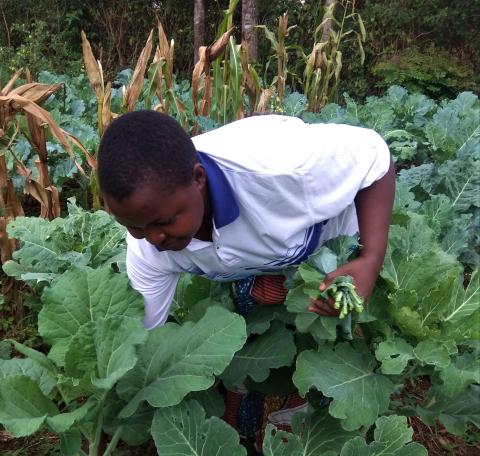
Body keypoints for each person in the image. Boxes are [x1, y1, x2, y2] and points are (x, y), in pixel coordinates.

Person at [98, 110, 395, 330]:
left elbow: (375, 156)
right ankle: (259, 283)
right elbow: (145, 335)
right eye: (135, 227)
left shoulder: (285, 167)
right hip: (264, 249)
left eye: (163, 222)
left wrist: (370, 257)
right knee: (255, 310)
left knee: (338, 325)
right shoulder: (147, 249)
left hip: (326, 240)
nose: (153, 239)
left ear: (198, 179)